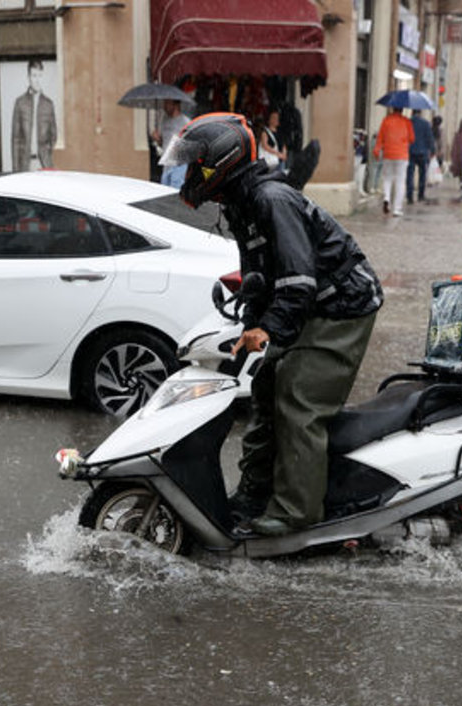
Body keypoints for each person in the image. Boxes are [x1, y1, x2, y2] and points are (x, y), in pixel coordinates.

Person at [159, 113, 384, 537]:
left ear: (220, 161)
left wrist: (271, 328)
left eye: (195, 165)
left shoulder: (271, 199)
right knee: (263, 391)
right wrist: (251, 322)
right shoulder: (242, 202)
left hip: (341, 307)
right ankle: (254, 494)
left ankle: (296, 513)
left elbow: (298, 279)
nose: (188, 174)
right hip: (305, 307)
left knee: (298, 398)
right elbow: (260, 274)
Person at [11, 59, 56, 171]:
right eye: (34, 75)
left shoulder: (48, 104)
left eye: (40, 75)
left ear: (43, 77)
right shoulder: (20, 103)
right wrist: (16, 170)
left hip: (44, 164)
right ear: (29, 77)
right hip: (25, 165)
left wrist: (47, 154)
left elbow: (53, 136)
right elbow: (15, 139)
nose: (37, 80)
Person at [373, 105, 413, 217]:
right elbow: (412, 138)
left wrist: (377, 149)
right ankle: (397, 209)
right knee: (400, 181)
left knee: (387, 178)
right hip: (402, 155)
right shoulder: (406, 121)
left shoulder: (386, 121)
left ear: (392, 109)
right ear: (402, 110)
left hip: (388, 154)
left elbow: (380, 137)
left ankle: (386, 198)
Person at [149, 97, 190, 186]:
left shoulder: (185, 122)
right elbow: (162, 143)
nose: (164, 106)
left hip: (179, 165)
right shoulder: (164, 120)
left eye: (167, 103)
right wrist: (157, 138)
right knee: (165, 194)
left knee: (174, 195)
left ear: (176, 105)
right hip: (166, 164)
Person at [406, 108, 435, 205]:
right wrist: (433, 150)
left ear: (412, 112)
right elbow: (430, 138)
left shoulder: (408, 122)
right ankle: (420, 195)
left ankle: (409, 196)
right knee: (422, 174)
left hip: (410, 151)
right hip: (422, 152)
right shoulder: (426, 123)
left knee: (410, 174)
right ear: (420, 112)